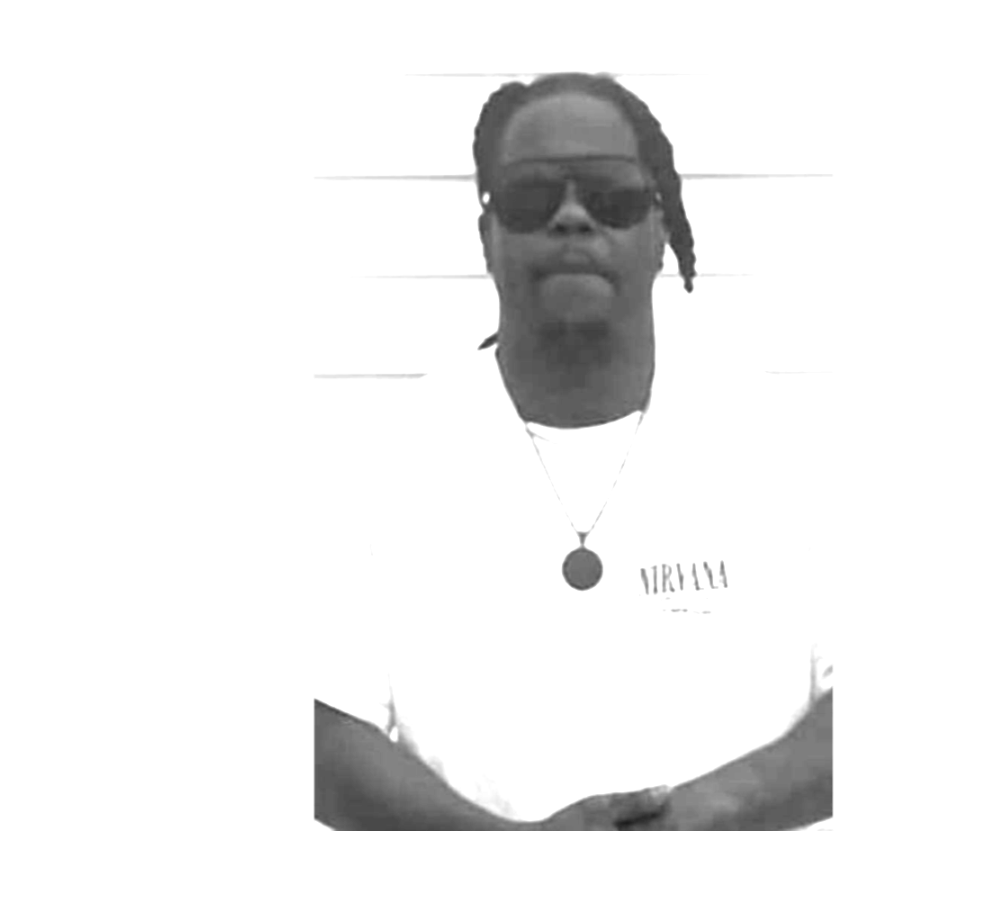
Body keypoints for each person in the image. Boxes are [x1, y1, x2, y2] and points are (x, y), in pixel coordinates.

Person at [313, 72, 833, 831]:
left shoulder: (793, 444)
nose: (571, 218)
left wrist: (707, 814)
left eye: (611, 196)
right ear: (487, 238)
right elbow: (326, 733)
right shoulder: (378, 459)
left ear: (660, 233)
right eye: (530, 199)